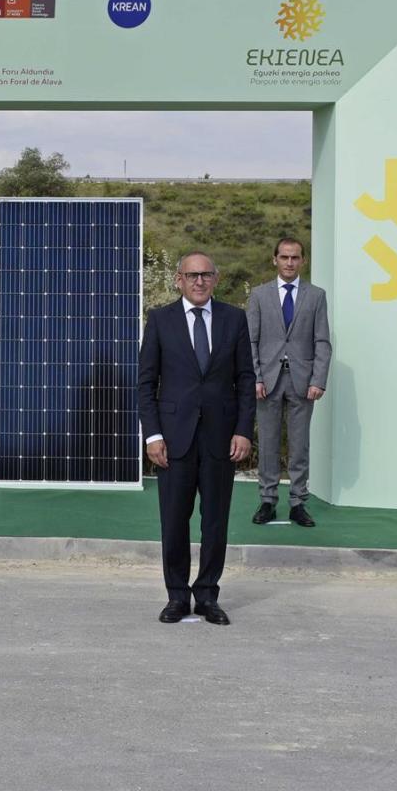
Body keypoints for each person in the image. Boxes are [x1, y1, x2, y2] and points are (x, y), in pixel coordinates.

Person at [137, 250, 255, 625]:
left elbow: (246, 380)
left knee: (215, 521)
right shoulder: (160, 320)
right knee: (173, 520)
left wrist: (243, 430)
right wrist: (152, 435)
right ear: (179, 280)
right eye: (192, 275)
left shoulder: (234, 319)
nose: (199, 281)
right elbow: (145, 383)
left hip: (221, 438)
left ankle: (207, 595)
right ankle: (176, 596)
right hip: (173, 440)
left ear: (216, 279)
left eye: (206, 275)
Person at [245, 237, 331, 527]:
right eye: (284, 257)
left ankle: (297, 503)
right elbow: (250, 341)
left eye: (295, 257)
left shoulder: (316, 295)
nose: (290, 262)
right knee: (267, 443)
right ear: (275, 259)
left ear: (303, 261)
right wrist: (255, 377)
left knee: (300, 445)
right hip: (266, 381)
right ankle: (267, 501)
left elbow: (322, 341)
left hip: (303, 381)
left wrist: (318, 379)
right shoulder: (258, 295)